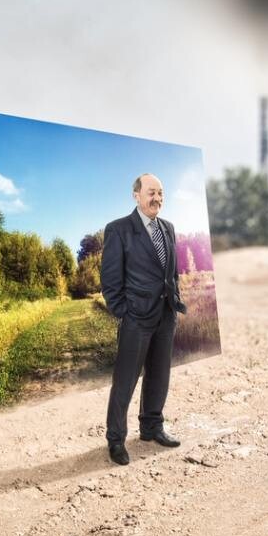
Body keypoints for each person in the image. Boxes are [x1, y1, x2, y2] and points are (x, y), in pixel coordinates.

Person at [99, 173, 188, 466]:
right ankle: (115, 440)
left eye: (161, 193)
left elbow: (171, 273)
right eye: (151, 192)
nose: (157, 198)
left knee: (159, 375)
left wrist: (173, 303)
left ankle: (151, 428)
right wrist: (124, 312)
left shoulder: (169, 228)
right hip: (136, 317)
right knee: (125, 381)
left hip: (165, 315)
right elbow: (111, 282)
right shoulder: (119, 230)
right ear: (136, 195)